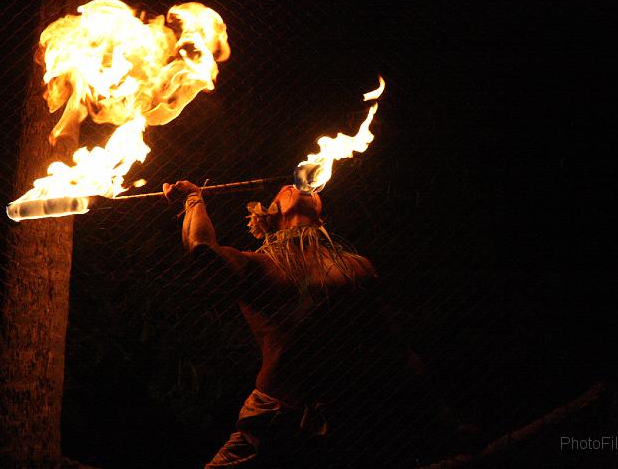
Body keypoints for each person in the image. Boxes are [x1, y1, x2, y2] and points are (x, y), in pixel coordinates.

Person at [163, 181, 456, 468]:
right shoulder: (258, 265)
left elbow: (393, 345)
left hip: (352, 412)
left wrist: (441, 416)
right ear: (272, 212)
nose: (298, 185)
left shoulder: (355, 266)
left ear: (320, 211)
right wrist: (193, 199)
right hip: (274, 414)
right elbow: (202, 250)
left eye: (307, 188)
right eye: (287, 188)